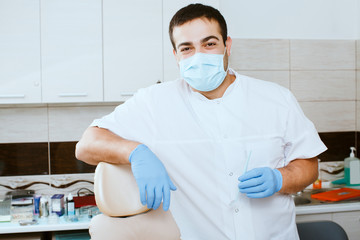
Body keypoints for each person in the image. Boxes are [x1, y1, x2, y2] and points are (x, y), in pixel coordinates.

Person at [76, 3, 327, 240]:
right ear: (176, 55)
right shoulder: (154, 102)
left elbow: (308, 164)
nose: (199, 55)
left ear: (227, 45)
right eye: (187, 48)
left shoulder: (276, 98)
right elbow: (87, 145)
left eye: (209, 43)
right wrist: (135, 152)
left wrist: (280, 178)